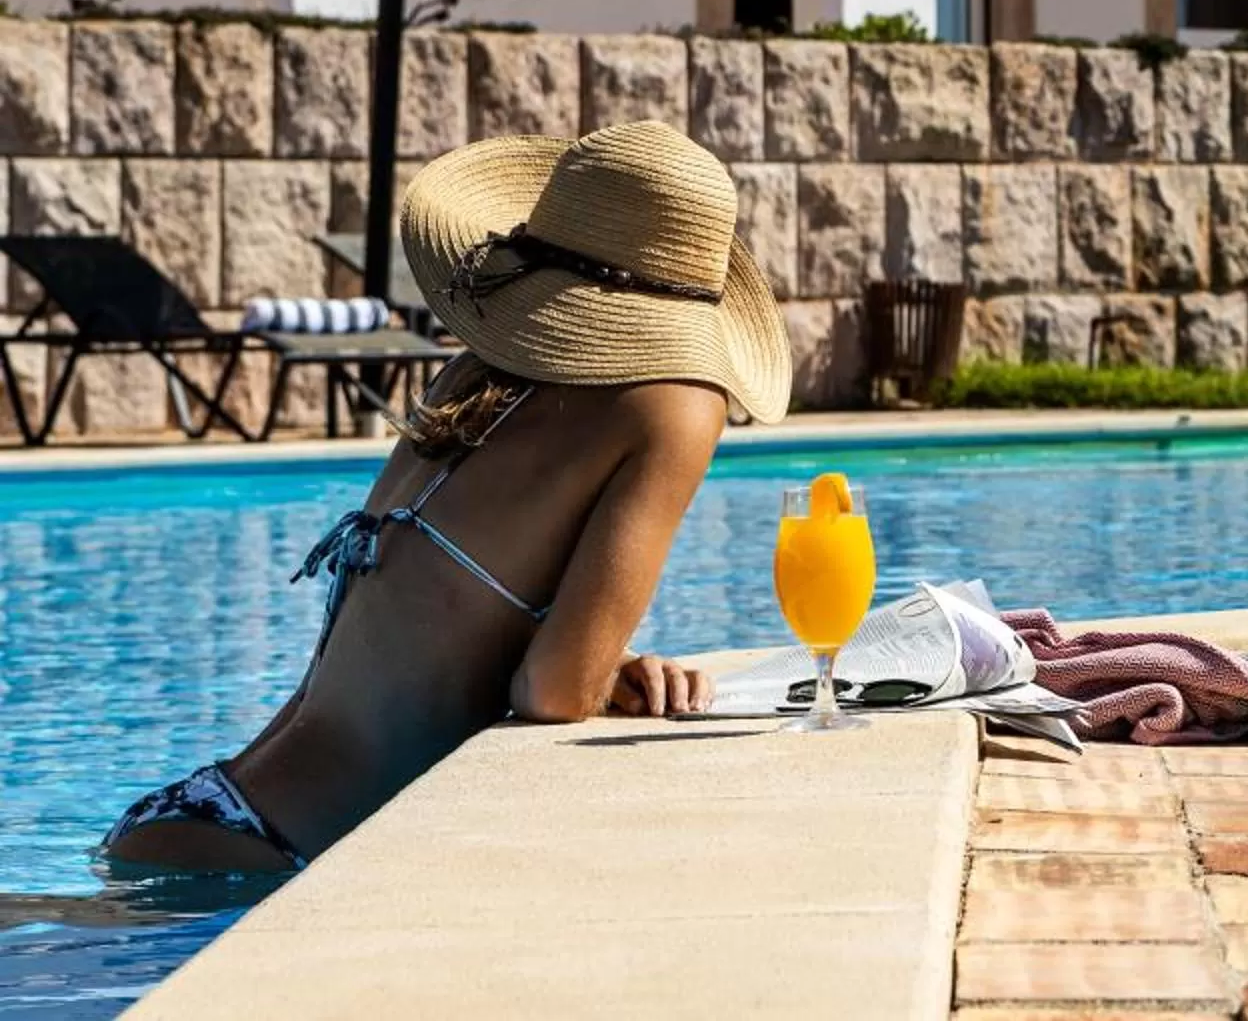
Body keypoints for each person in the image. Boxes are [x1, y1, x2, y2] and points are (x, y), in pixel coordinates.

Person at [102, 121, 792, 874]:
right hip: (287, 851)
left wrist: (608, 660)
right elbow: (555, 692)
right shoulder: (679, 404)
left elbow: (451, 617)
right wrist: (590, 671)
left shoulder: (474, 374)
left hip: (211, 810)